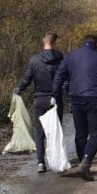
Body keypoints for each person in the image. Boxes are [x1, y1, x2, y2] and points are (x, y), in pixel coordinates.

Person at [52, 34, 97, 181]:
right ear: (96, 43)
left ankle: (83, 164)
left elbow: (59, 77)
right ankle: (85, 163)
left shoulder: (71, 57)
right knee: (96, 133)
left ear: (84, 42)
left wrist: (55, 96)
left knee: (81, 133)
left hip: (76, 100)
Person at [14, 32, 64, 173]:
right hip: (55, 99)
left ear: (43, 40)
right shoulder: (60, 58)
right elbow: (64, 78)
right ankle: (56, 161)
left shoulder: (34, 60)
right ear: (55, 41)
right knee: (55, 130)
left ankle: (41, 163)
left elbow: (27, 79)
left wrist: (18, 90)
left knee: (39, 131)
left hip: (40, 99)